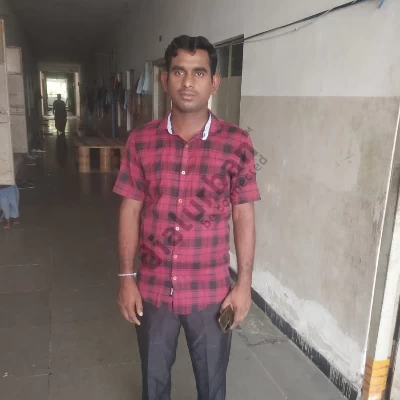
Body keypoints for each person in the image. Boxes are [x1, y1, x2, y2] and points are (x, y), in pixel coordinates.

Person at [113, 35, 261, 400]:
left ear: (214, 83)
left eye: (199, 73)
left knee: (212, 386)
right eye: (179, 71)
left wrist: (243, 284)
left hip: (211, 293)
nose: (188, 82)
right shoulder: (140, 141)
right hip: (152, 290)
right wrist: (126, 278)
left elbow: (243, 215)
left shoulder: (237, 143)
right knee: (153, 385)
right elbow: (130, 209)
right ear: (165, 79)